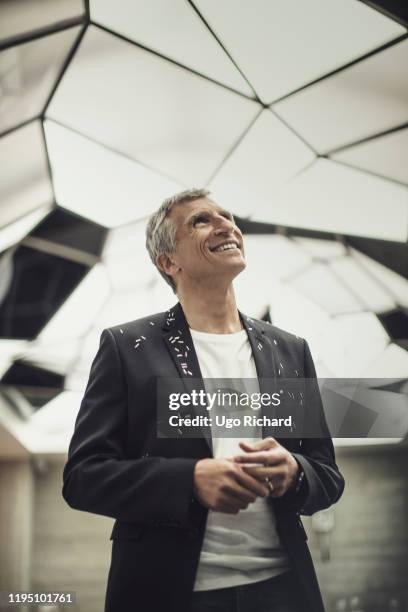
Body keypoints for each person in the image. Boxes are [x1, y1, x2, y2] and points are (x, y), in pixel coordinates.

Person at [62, 188, 344, 612]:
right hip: (166, 591)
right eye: (201, 221)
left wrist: (294, 472)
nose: (226, 225)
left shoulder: (289, 350)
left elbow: (327, 475)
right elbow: (83, 477)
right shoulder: (126, 347)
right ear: (168, 262)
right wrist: (189, 480)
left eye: (227, 216)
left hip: (282, 591)